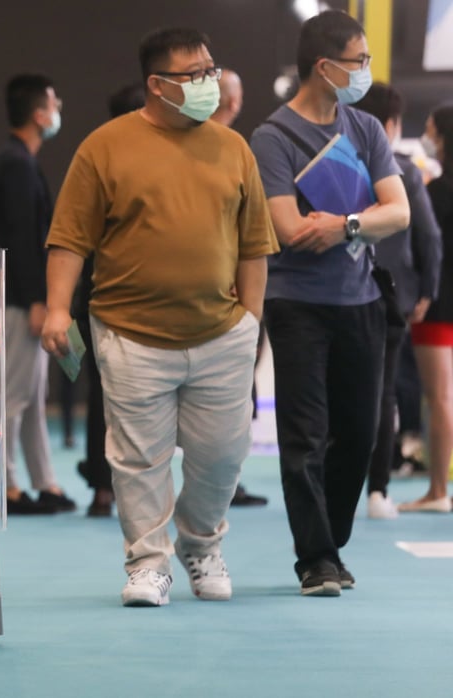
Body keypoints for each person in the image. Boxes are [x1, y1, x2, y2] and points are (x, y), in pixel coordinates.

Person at [43, 27, 277, 606]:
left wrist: (250, 322)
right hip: (129, 333)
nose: (209, 82)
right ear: (156, 84)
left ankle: (201, 545)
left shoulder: (233, 148)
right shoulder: (104, 146)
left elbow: (254, 245)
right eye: (193, 74)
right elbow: (69, 238)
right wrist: (55, 309)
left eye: (210, 69)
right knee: (138, 459)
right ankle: (148, 563)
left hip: (223, 332)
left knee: (222, 455)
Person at [249, 10, 410, 596]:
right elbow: (290, 228)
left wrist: (344, 225)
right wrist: (362, 222)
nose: (367, 71)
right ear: (325, 67)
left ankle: (331, 544)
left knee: (362, 434)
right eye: (359, 61)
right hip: (297, 305)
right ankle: (315, 557)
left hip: (362, 300)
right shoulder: (270, 138)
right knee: (304, 436)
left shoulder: (365, 128)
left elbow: (400, 212)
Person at [0, 74, 76, 515]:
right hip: (18, 298)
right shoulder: (15, 163)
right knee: (13, 396)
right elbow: (19, 238)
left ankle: (45, 483)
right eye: (55, 103)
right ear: (40, 114)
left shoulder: (20, 159)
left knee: (33, 396)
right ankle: (6, 488)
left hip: (22, 294)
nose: (58, 110)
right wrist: (38, 299)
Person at [351, 84, 442, 518]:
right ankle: (378, 491)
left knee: (340, 391)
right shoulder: (404, 171)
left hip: (341, 291)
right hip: (392, 295)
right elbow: (428, 235)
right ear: (390, 125)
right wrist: (427, 289)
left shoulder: (337, 165)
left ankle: (339, 487)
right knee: (382, 391)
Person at [73, 81, 145, 518]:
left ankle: (105, 488)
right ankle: (110, 487)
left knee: (104, 396)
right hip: (117, 300)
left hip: (96, 299)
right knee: (124, 399)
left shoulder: (95, 163)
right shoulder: (114, 166)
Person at [209, 68, 271, 509]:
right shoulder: (236, 154)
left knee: (229, 397)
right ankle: (222, 484)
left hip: (232, 303)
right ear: (233, 103)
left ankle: (225, 483)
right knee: (224, 397)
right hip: (221, 301)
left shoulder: (238, 153)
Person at [400, 104, 453, 513]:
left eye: (432, 131)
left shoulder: (433, 191)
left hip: (435, 305)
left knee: (438, 399)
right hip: (438, 303)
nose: (427, 137)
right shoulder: (432, 188)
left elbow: (423, 248)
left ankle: (438, 490)